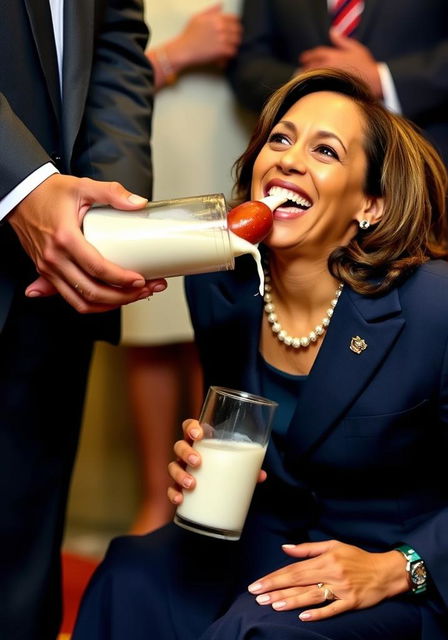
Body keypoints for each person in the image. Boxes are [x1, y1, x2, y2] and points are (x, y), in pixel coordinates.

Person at [73, 69, 448, 640]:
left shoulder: (441, 309)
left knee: (260, 633)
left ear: (370, 204)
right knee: (130, 576)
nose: (289, 159)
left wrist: (395, 567)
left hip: (400, 576)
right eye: (279, 139)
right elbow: (252, 435)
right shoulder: (221, 286)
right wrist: (201, 464)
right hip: (271, 543)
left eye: (324, 150)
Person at [0, 2, 160, 638]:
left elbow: (116, 35)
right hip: (33, 209)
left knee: (22, 566)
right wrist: (22, 186)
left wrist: (110, 221)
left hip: (57, 271)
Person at [125, 0, 250, 536]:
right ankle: (157, 497)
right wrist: (176, 54)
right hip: (148, 135)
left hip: (231, 134)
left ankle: (213, 497)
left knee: (221, 315)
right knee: (149, 325)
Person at [227, 0, 448, 207]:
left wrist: (382, 78)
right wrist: (313, 81)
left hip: (422, 148)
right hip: (299, 183)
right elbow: (249, 64)